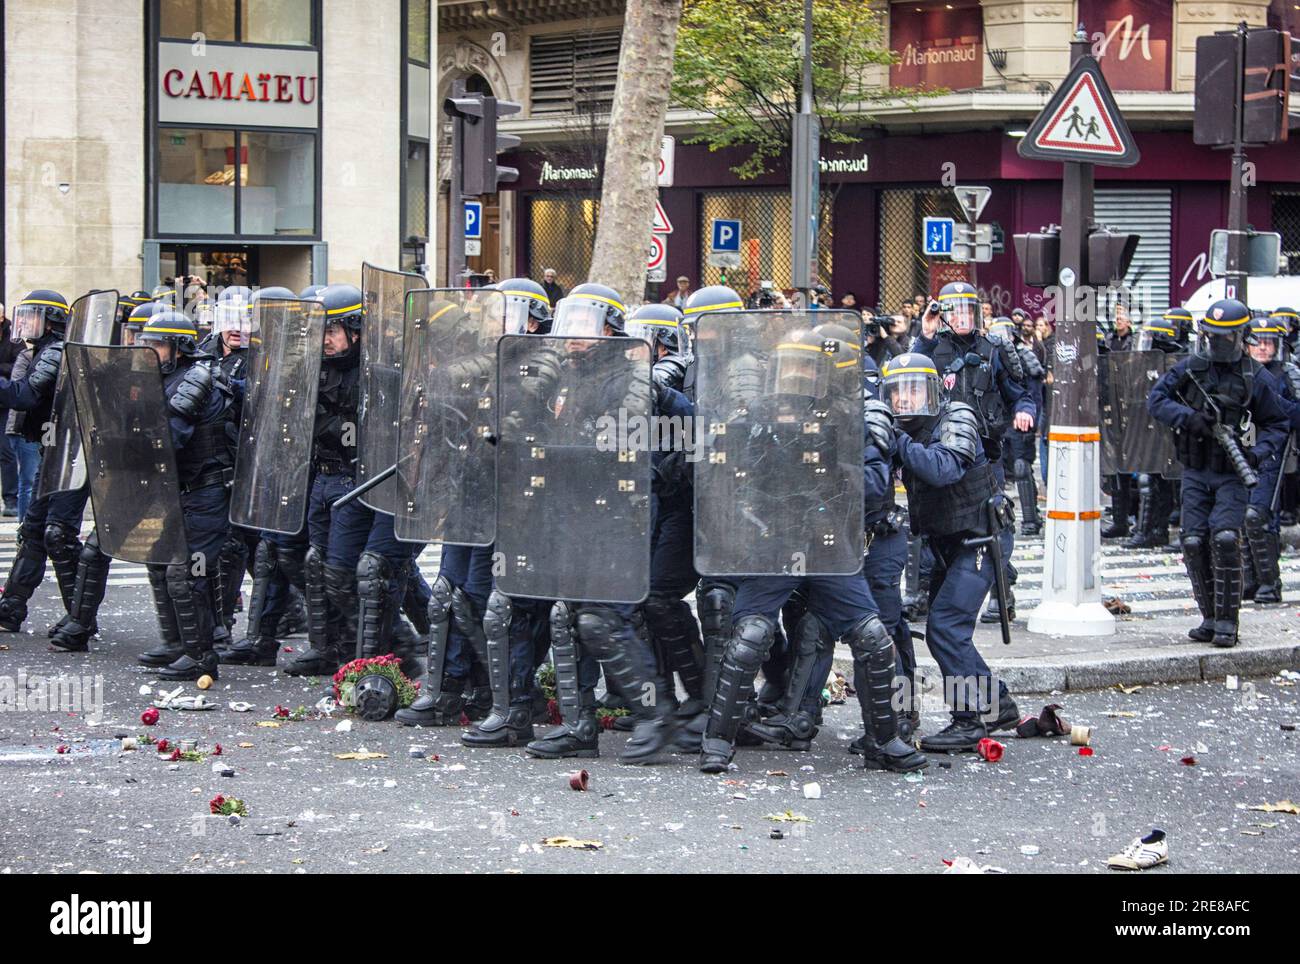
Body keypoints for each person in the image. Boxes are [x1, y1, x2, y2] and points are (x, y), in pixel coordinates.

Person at [882, 353, 1021, 751]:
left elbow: (943, 469)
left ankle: (970, 719)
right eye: (898, 393)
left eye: (914, 390)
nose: (906, 401)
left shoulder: (956, 416)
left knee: (945, 628)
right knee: (945, 629)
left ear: (933, 390)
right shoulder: (901, 429)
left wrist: (897, 440)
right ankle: (998, 705)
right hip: (949, 541)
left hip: (981, 538)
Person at [1148, 298, 1290, 648]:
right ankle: (1209, 618)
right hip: (1196, 469)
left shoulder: (1254, 376)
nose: (1219, 343)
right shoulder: (1190, 368)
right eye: (1214, 336)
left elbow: (1277, 423)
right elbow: (1156, 401)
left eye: (1227, 337)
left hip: (1231, 472)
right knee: (1193, 541)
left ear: (1242, 337)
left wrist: (1256, 456)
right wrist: (1190, 418)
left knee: (1225, 539)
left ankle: (1228, 622)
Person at [134, 309, 238, 680]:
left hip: (207, 491)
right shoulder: (166, 377)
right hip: (181, 490)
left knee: (189, 571)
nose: (149, 350)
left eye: (157, 344)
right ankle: (179, 643)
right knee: (164, 563)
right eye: (146, 342)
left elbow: (170, 437)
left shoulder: (195, 377)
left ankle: (200, 655)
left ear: (178, 347)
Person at [1240, 314, 1296, 605]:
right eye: (1257, 342)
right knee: (1241, 516)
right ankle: (1250, 580)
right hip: (1241, 449)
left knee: (1259, 516)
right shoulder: (1238, 370)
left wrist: (1271, 398)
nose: (1262, 348)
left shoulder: (1286, 374)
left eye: (1268, 343)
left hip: (1272, 451)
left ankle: (1269, 583)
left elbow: (1296, 414)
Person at [0, 303, 21, 517]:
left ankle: (10, 499)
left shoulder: (13, 336)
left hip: (4, 402)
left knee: (7, 453)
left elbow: (19, 365)